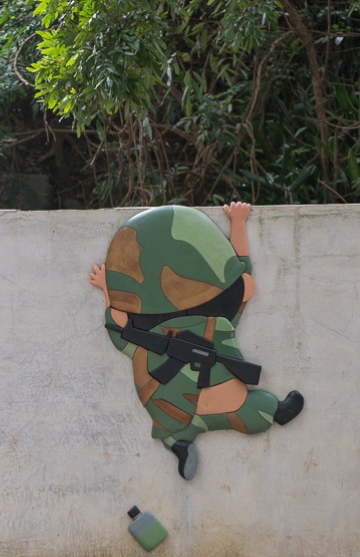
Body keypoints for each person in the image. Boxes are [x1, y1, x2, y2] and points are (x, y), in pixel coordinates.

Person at [89, 203, 303, 480]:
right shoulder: (218, 324)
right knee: (256, 411)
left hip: (178, 417)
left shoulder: (151, 339)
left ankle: (181, 445)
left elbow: (117, 327)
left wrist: (109, 290)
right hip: (230, 406)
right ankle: (275, 411)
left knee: (176, 432)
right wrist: (237, 222)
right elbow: (242, 276)